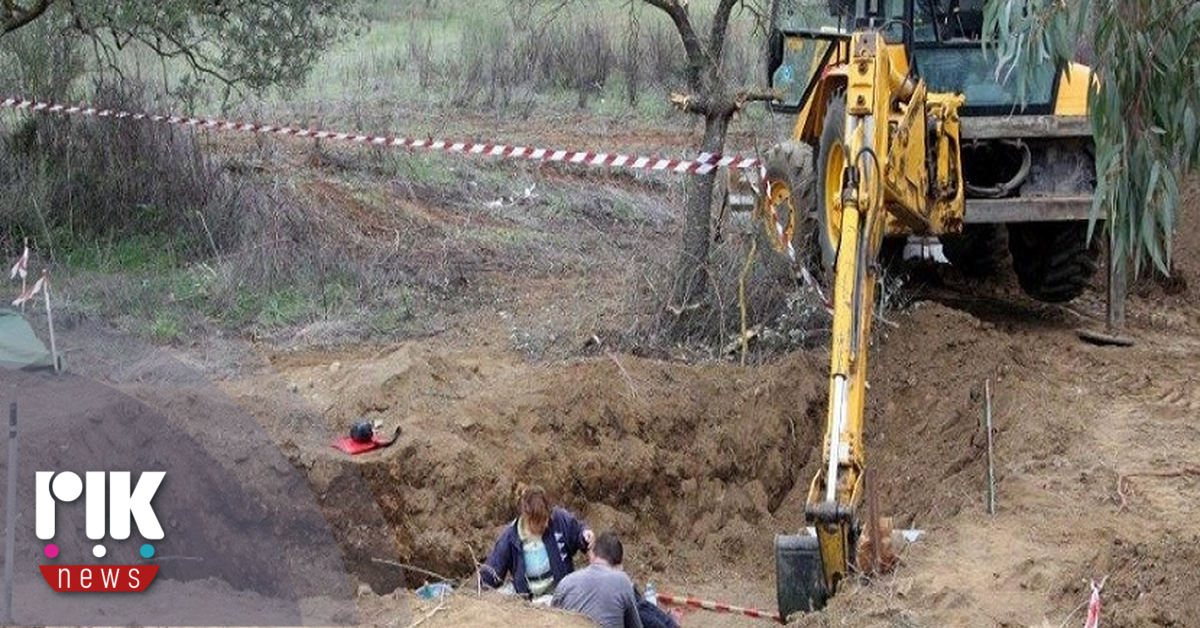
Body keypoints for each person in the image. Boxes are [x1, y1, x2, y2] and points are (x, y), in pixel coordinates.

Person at [479, 484, 594, 600]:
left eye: (546, 518)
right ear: (527, 517)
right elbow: (493, 569)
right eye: (539, 521)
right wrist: (482, 591)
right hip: (527, 598)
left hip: (559, 594)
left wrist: (585, 534)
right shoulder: (511, 536)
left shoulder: (559, 519)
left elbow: (578, 530)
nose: (546, 524)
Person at [552, 532, 642, 628]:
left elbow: (548, 619)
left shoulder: (565, 583)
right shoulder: (622, 581)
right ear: (619, 566)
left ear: (592, 555)